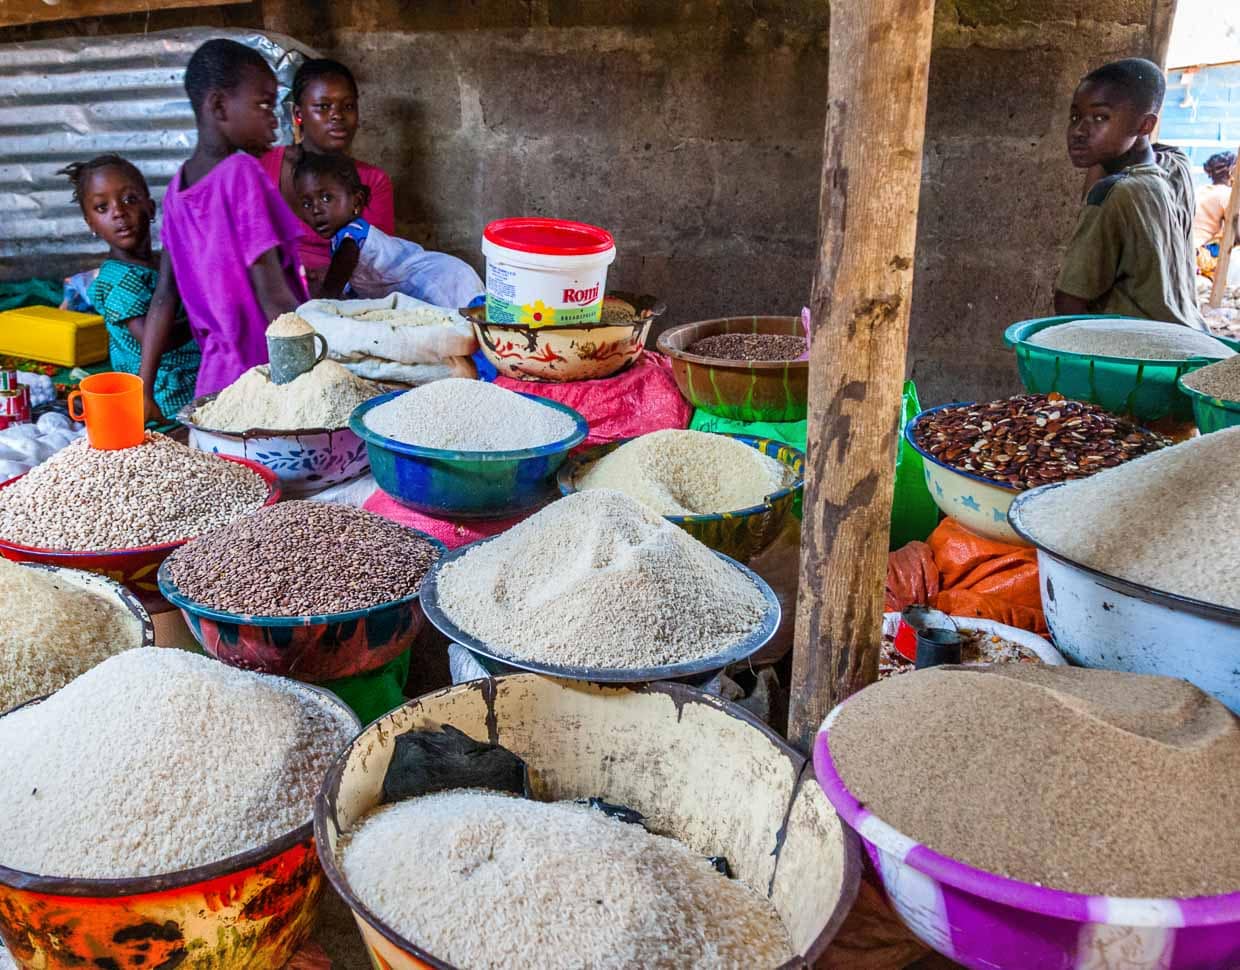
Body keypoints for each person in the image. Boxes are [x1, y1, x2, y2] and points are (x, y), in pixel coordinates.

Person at [139, 39, 308, 421]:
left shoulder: (176, 192)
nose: (273, 119)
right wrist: (318, 364)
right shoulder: (241, 174)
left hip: (215, 380)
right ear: (218, 106)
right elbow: (274, 298)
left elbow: (164, 298)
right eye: (263, 104)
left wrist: (143, 388)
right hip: (269, 374)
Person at [1054, 58, 1207, 330]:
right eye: (1076, 117)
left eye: (1101, 117)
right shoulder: (1177, 166)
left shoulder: (1113, 194)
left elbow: (1069, 304)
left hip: (1142, 356)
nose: (1079, 131)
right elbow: (1158, 152)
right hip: (1192, 337)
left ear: (1145, 125)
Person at [60, 155, 201, 416]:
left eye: (129, 199)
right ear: (90, 223)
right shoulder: (117, 279)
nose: (118, 212)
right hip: (162, 397)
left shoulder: (161, 262)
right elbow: (159, 338)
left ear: (151, 207)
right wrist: (208, 321)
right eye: (102, 208)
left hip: (190, 376)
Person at [260, 58, 394, 294]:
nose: (337, 116)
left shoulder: (372, 181)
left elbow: (379, 265)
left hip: (342, 303)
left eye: (348, 106)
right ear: (298, 114)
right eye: (323, 107)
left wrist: (331, 282)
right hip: (275, 297)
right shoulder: (264, 167)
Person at [294, 151, 483, 308]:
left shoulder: (352, 236)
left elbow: (342, 266)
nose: (316, 210)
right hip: (428, 286)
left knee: (472, 331)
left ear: (357, 202)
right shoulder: (341, 241)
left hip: (443, 280)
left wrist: (322, 303)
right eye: (306, 203)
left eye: (327, 198)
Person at [1194, 151, 1235, 252]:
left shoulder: (1200, 190)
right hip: (1201, 253)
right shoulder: (1227, 194)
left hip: (1186, 249)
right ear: (1232, 172)